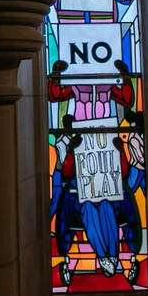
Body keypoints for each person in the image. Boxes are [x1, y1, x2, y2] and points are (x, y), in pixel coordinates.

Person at [49, 114, 83, 286]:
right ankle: (46, 229)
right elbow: (63, 160)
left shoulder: (75, 138)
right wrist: (71, 149)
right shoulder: (62, 140)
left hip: (70, 175)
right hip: (60, 176)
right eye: (69, 124)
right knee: (56, 202)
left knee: (68, 203)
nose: (71, 126)